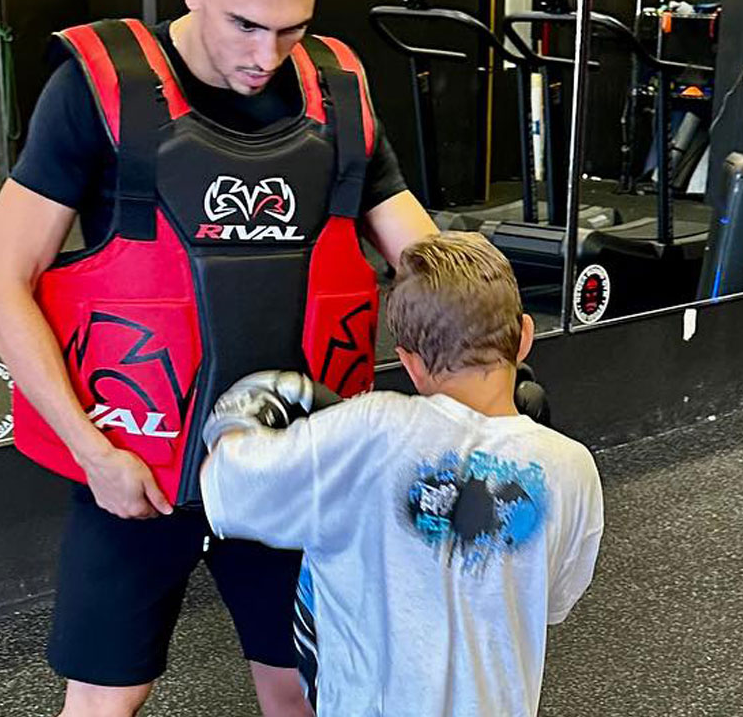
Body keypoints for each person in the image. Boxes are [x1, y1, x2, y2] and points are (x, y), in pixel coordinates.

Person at [0, 0, 437, 715]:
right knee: (105, 703)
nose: (266, 55)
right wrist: (91, 454)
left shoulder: (336, 93)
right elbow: (1, 289)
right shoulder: (96, 88)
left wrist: (490, 362)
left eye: (291, 29)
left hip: (297, 466)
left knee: (303, 694)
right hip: (137, 471)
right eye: (245, 25)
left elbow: (429, 262)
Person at [200, 233, 606, 716]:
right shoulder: (573, 466)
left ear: (409, 362)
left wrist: (241, 417)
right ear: (523, 335)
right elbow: (553, 603)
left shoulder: (372, 429)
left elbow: (226, 488)